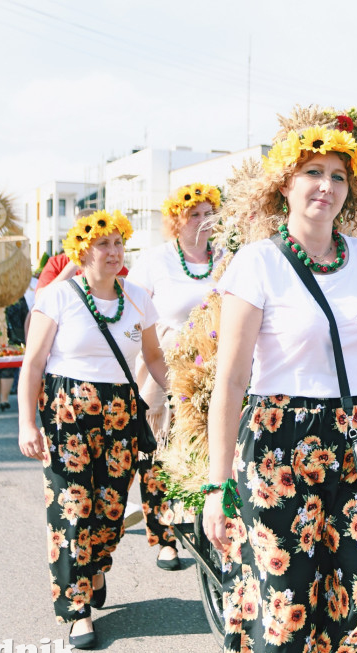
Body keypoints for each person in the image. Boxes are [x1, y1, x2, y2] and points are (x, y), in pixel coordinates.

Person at [201, 111, 357, 653]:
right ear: (285, 185)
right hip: (277, 443)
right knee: (286, 606)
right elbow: (231, 382)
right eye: (313, 171)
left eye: (339, 176)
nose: (326, 186)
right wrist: (217, 486)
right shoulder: (257, 262)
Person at [17, 210, 168, 650]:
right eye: (104, 244)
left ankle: (96, 564)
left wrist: (182, 390)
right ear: (83, 250)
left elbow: (154, 356)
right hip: (67, 414)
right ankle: (77, 607)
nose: (114, 252)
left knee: (111, 506)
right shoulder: (58, 296)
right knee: (72, 509)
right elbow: (33, 363)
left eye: (119, 244)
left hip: (121, 411)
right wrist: (28, 422)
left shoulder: (137, 296)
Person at [127, 182, 223, 571]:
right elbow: (132, 311)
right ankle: (165, 536)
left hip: (218, 365)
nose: (203, 222)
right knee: (159, 452)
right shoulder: (155, 261)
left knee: (211, 446)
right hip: (166, 365)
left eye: (208, 214)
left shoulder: (228, 257)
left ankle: (210, 522)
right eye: (194, 215)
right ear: (176, 222)